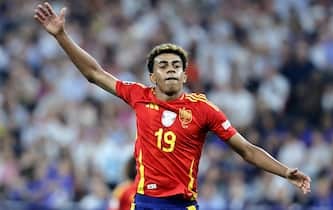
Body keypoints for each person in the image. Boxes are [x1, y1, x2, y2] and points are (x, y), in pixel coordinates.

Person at [34, 2, 311, 210]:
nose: (170, 70)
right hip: (144, 202)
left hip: (183, 205)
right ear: (153, 76)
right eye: (163, 66)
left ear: (184, 74)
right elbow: (94, 74)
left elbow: (247, 151)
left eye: (176, 66)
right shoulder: (138, 95)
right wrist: (61, 36)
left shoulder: (203, 109)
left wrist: (285, 171)